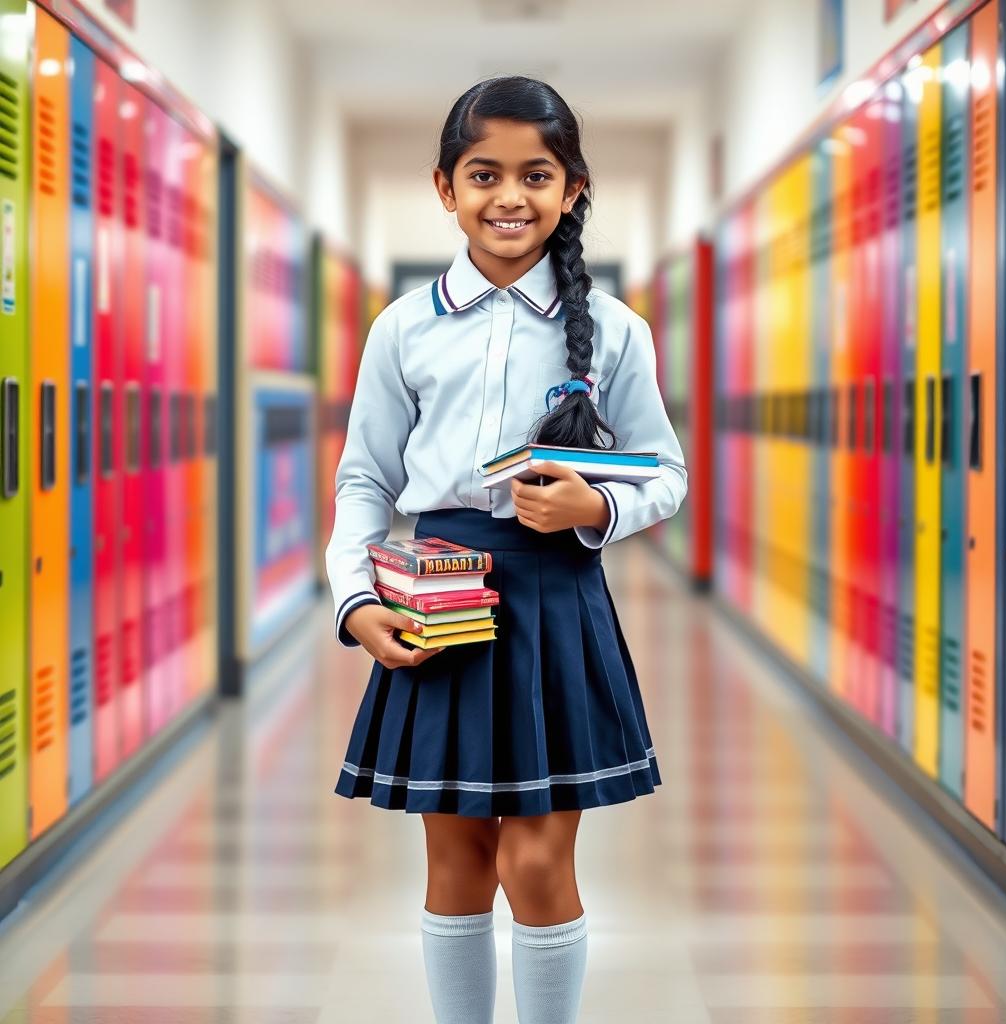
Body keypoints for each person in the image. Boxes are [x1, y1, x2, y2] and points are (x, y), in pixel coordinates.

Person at [324, 75, 688, 1024]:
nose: (510, 196)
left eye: (538, 174)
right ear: (445, 187)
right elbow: (365, 478)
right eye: (484, 174)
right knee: (456, 858)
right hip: (435, 598)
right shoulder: (402, 328)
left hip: (554, 596)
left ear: (572, 190)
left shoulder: (613, 332)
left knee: (535, 857)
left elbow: (666, 474)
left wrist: (589, 508)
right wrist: (355, 600)